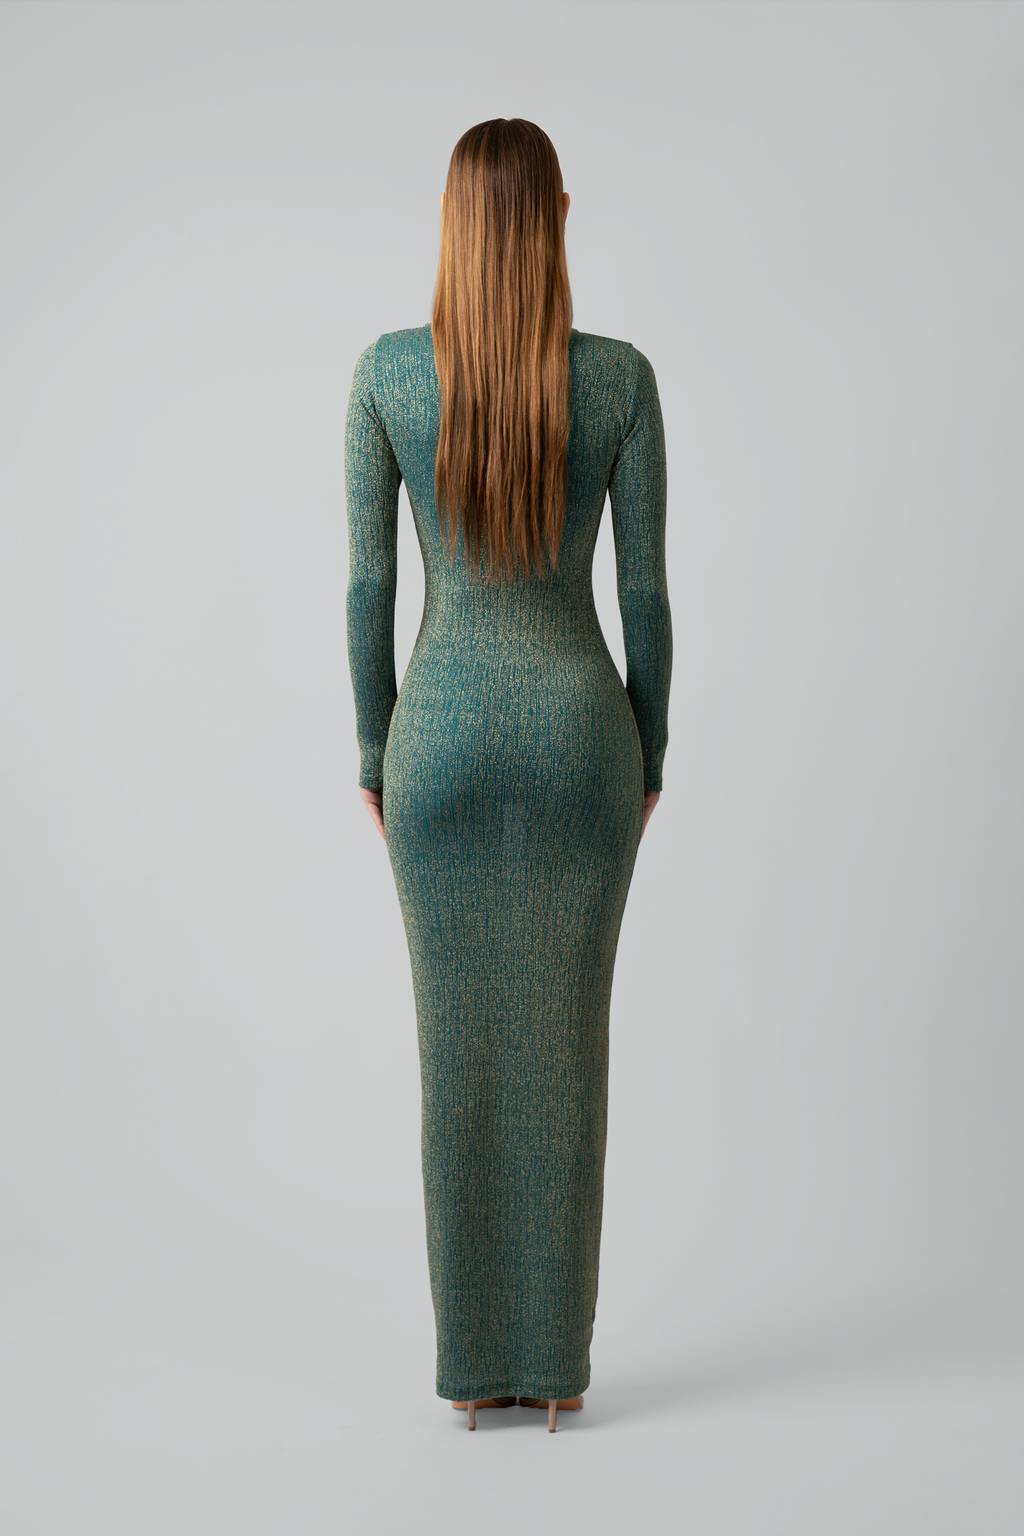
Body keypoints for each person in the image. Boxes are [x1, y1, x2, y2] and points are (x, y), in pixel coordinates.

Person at [345, 119, 671, 1433]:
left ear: (449, 222)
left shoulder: (386, 375)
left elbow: (369, 588)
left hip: (436, 737)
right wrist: (653, 745)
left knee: (457, 1050)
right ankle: (557, 1369)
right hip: (582, 735)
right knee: (567, 1048)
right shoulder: (621, 380)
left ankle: (475, 1367)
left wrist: (374, 746)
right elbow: (644, 595)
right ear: (560, 216)